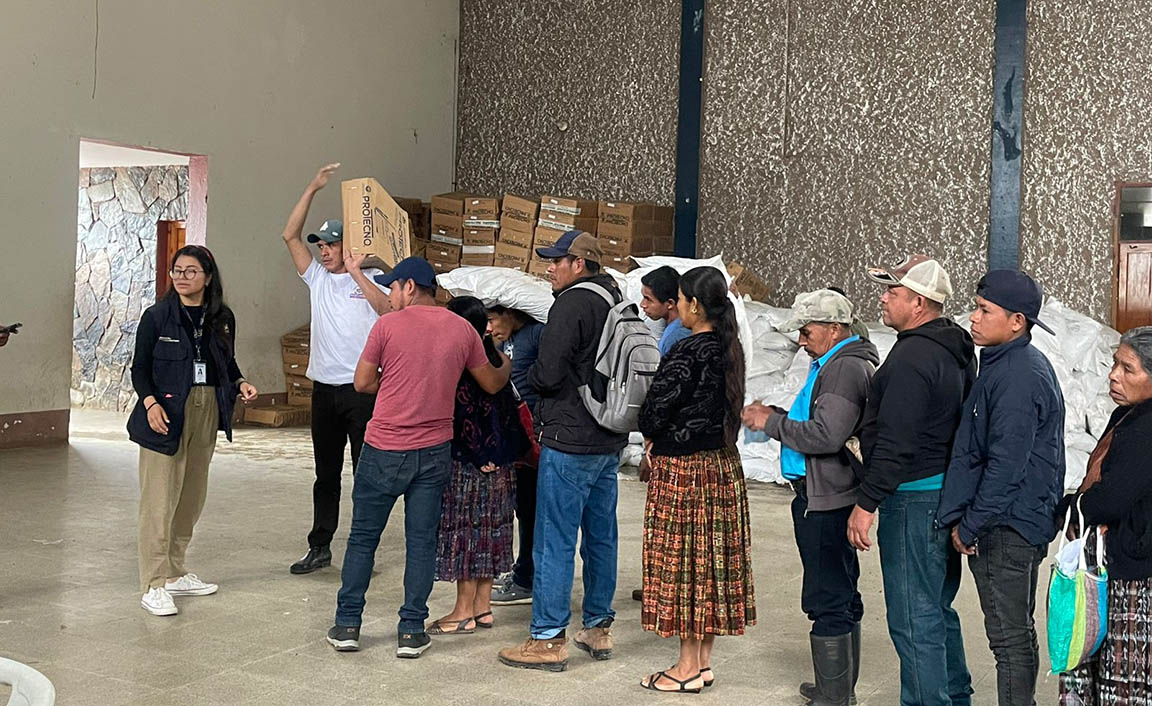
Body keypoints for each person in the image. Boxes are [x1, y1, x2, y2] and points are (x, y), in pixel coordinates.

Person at [326, 257, 511, 658]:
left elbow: (362, 382)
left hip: (383, 448)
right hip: (433, 452)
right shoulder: (462, 329)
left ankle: (347, 625)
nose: (391, 295)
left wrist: (395, 381)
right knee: (422, 542)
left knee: (363, 539)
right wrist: (505, 359)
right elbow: (492, 382)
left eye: (393, 287)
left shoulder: (387, 326)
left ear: (409, 286)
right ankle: (411, 630)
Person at [846, 254, 977, 706]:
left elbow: (896, 441)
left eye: (892, 292)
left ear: (919, 303)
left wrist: (867, 503)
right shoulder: (954, 346)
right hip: (942, 492)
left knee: (912, 617)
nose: (883, 299)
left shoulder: (912, 358)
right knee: (935, 608)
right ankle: (955, 696)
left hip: (912, 500)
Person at [497, 230, 628, 672]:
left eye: (557, 260)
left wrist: (533, 380)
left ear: (579, 264)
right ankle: (598, 627)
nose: (550, 268)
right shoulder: (614, 299)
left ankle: (548, 638)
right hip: (608, 437)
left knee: (553, 539)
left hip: (569, 439)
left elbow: (548, 372)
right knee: (601, 535)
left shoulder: (571, 303)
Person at [743, 288, 879, 706]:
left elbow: (826, 435)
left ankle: (834, 696)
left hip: (825, 499)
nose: (801, 342)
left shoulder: (843, 370)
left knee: (827, 596)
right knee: (839, 590)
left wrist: (771, 424)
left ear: (834, 329)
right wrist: (780, 418)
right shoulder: (835, 363)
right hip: (827, 494)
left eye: (807, 332)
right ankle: (837, 688)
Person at [936, 270, 1065, 706]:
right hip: (1021, 520)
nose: (973, 317)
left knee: (1009, 642)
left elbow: (1007, 467)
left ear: (1017, 322)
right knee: (1018, 634)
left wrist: (970, 525)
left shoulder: (1016, 377)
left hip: (1005, 527)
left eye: (984, 310)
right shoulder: (1012, 364)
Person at [635, 266, 756, 693]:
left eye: (683, 300)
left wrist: (652, 434)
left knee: (685, 565)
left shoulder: (687, 351)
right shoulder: (729, 348)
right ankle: (702, 662)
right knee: (709, 564)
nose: (679, 308)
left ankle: (685, 667)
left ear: (695, 305)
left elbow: (652, 412)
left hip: (685, 472)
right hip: (722, 467)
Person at [127, 245, 258, 616]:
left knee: (191, 495)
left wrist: (241, 382)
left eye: (191, 271)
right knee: (159, 499)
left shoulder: (222, 318)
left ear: (208, 277)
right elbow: (139, 369)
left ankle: (174, 572)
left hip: (207, 407)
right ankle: (153, 584)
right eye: (177, 271)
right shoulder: (157, 317)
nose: (182, 277)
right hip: (165, 410)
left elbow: (226, 362)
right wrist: (150, 404)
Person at [281, 163, 390, 576]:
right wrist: (312, 187)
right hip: (324, 392)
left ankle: (362, 551)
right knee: (325, 474)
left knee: (366, 476)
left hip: (362, 392)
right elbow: (290, 236)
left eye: (331, 245)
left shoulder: (374, 278)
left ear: (349, 246)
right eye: (322, 246)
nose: (324, 252)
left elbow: (386, 310)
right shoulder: (317, 279)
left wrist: (358, 270)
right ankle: (320, 546)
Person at [1059, 326, 1152, 706]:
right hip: (1115, 562)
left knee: (1125, 679)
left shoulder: (1146, 428)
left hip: (1136, 575)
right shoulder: (1126, 416)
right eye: (1115, 364)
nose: (1113, 375)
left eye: (1128, 369)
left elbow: (1112, 499)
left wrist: (1070, 508)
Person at [430, 297, 528, 634]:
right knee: (491, 531)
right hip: (502, 463)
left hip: (470, 463)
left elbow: (465, 416)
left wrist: (478, 455)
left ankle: (462, 612)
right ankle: (483, 608)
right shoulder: (499, 360)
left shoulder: (459, 365)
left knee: (466, 534)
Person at [486, 305, 546, 607]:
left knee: (532, 510)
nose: (490, 327)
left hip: (535, 437)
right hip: (514, 438)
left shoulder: (536, 335)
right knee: (522, 508)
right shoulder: (504, 341)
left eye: (493, 319)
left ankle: (527, 578)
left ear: (509, 312)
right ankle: (522, 569)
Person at [640, 266, 692, 355]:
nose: (642, 304)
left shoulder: (676, 337)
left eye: (648, 299)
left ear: (670, 303)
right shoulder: (672, 330)